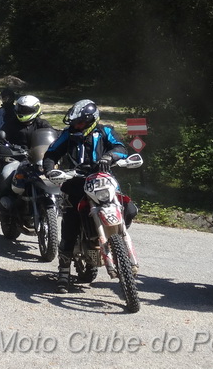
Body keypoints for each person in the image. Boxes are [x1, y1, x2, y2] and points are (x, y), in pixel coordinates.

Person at [42, 99, 131, 293]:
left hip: (103, 180)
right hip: (75, 183)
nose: (76, 126)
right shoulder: (67, 134)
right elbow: (51, 154)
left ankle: (117, 240)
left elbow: (121, 148)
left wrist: (109, 157)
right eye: (75, 123)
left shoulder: (105, 131)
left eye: (80, 123)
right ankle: (63, 271)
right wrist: (50, 170)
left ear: (91, 120)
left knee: (129, 208)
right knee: (70, 223)